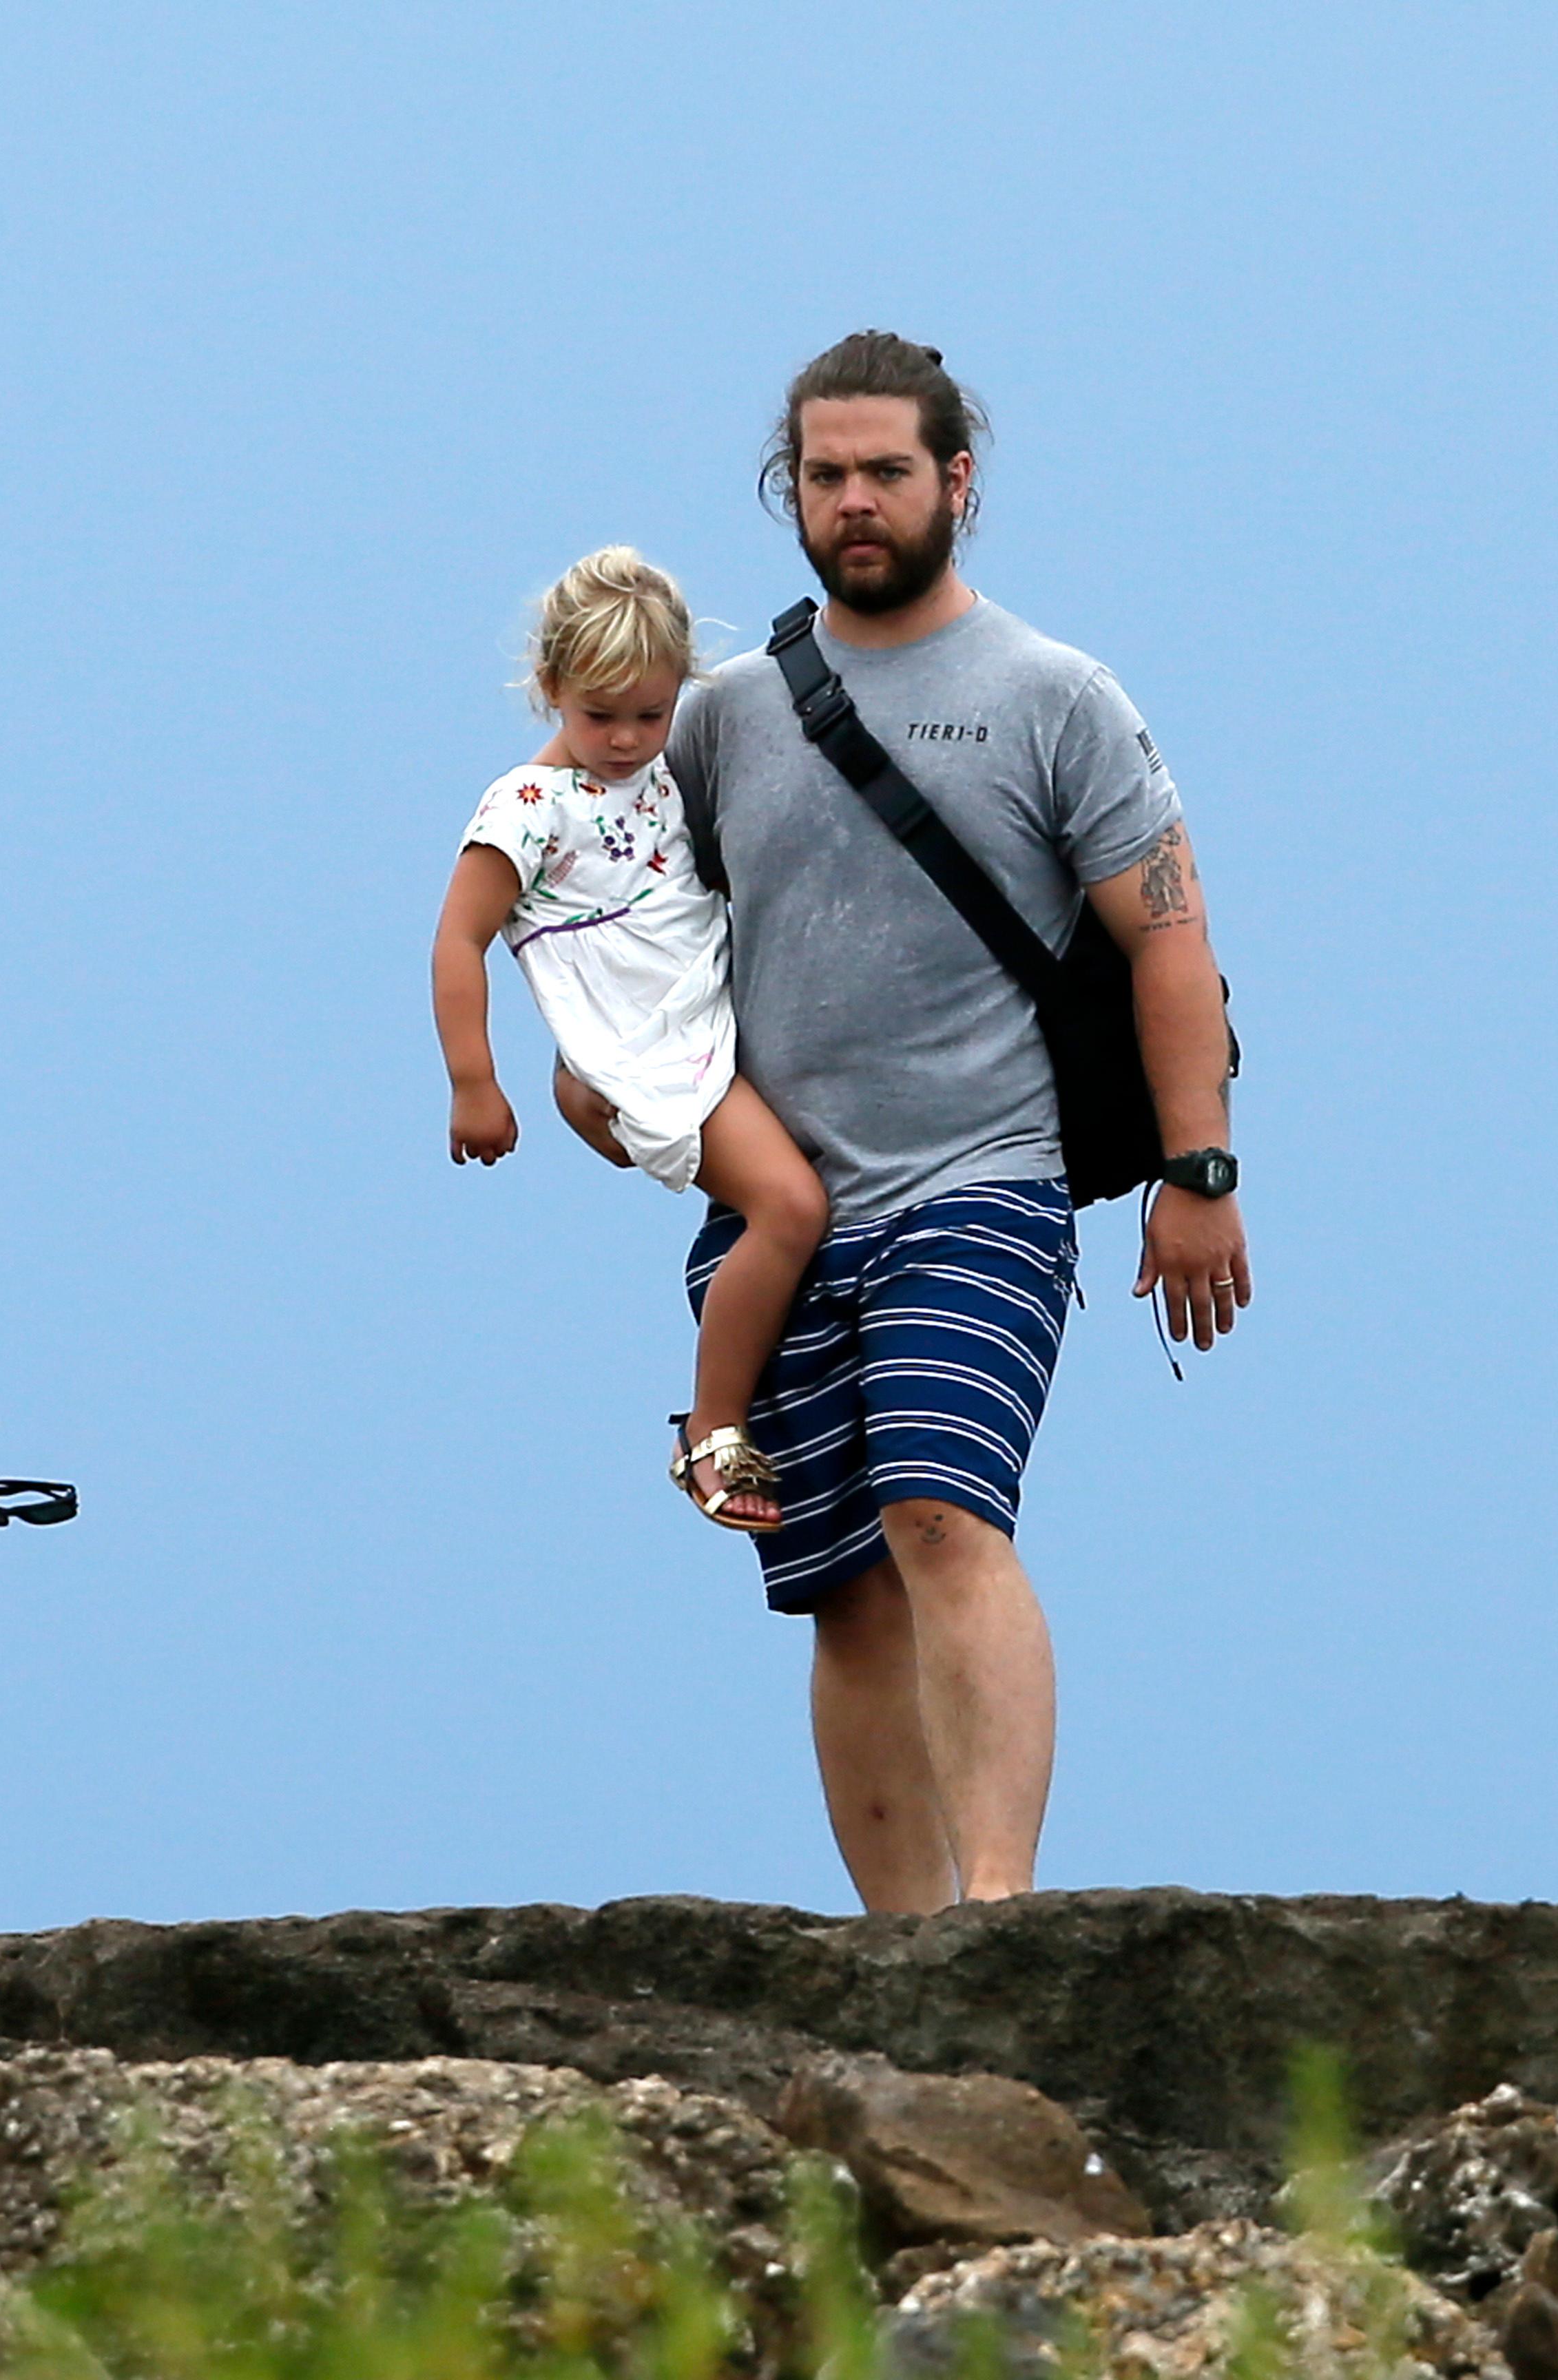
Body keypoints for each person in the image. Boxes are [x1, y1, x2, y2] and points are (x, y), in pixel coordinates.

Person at [614, 332, 1251, 1914]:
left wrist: (1198, 1168)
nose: (855, 502)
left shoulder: (1054, 697)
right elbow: (634, 939)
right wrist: (592, 1076)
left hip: (983, 1178)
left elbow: (1169, 935)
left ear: (955, 479)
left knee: (938, 1505)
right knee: (837, 1584)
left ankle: (999, 1909)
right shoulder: (721, 716)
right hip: (777, 1208)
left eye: (886, 470)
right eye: (824, 475)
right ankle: (901, 1946)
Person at [433, 548, 829, 1532]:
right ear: (551, 688)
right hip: (650, 1050)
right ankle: (712, 1430)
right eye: (599, 715)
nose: (624, 738)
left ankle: (583, 1094)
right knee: (789, 1208)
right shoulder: (528, 809)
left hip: (714, 1005)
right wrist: (475, 1083)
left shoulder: (668, 771)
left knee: (809, 1188)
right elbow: (458, 940)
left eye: (650, 715)